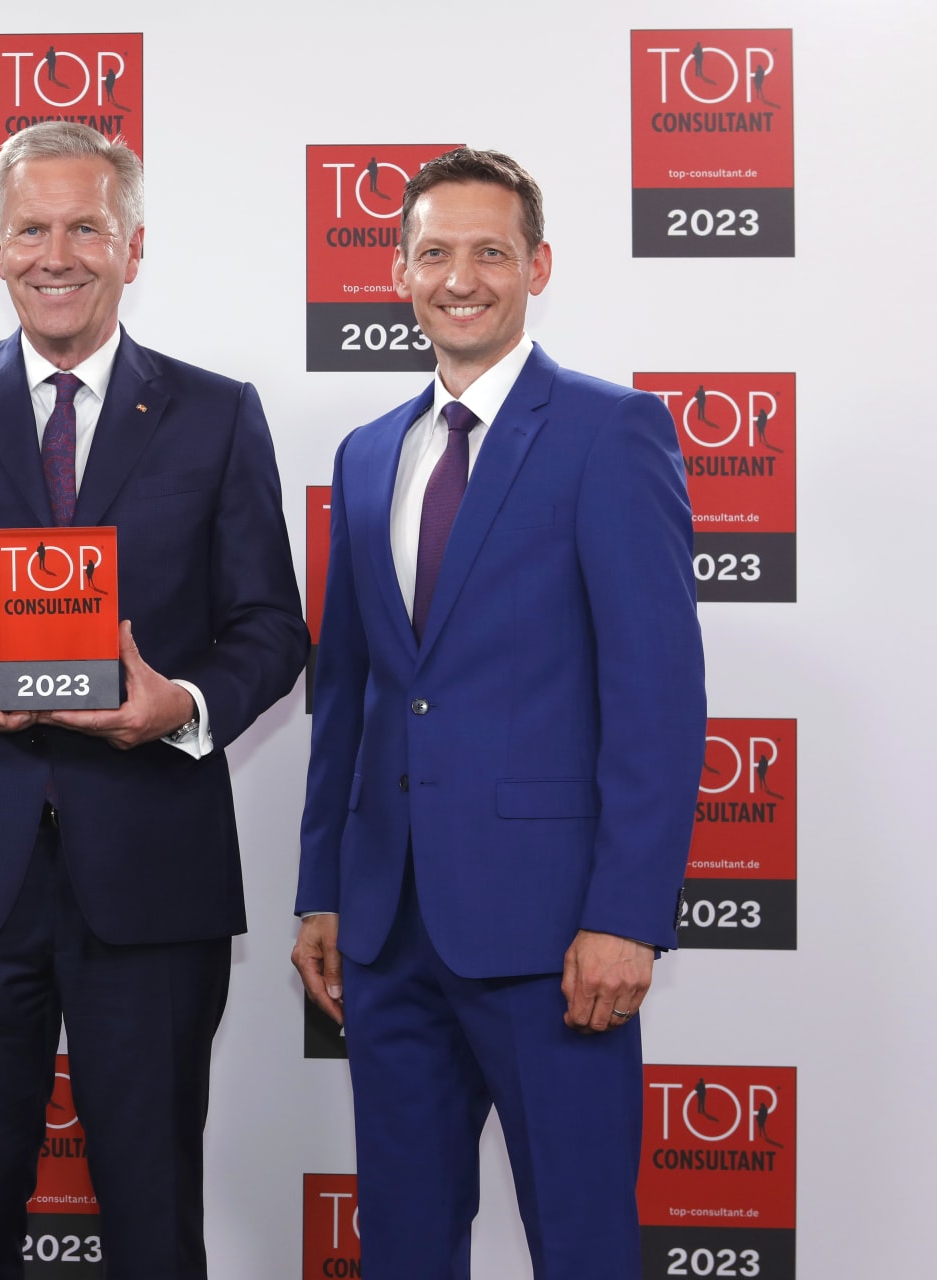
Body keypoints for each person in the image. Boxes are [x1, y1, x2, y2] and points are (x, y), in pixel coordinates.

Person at [0, 120, 306, 1279]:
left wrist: (180, 702)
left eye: (87, 225)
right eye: (31, 227)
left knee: (155, 1218)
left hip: (153, 876)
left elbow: (273, 627)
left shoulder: (218, 410)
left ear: (134, 247)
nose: (58, 252)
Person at [292, 147, 706, 1279]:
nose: (459, 276)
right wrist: (324, 886)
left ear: (539, 264)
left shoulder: (611, 432)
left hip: (555, 932)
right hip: (387, 930)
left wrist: (628, 911)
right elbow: (354, 690)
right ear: (399, 272)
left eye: (489, 251)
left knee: (579, 1241)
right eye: (435, 252)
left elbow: (658, 695)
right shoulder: (369, 453)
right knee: (408, 1244)